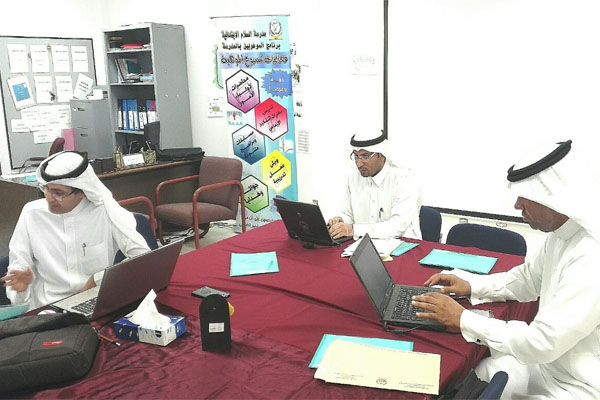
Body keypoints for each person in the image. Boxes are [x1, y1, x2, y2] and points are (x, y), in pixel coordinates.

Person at [412, 140, 600, 398]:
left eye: (526, 197)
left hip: (578, 386)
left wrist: (463, 318)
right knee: (474, 374)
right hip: (548, 368)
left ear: (554, 198)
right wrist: (471, 285)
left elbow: (542, 342)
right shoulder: (563, 234)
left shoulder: (591, 256)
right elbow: (528, 279)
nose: (517, 206)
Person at [1, 151, 150, 310]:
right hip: (48, 308)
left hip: (96, 302)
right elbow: (18, 268)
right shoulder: (31, 214)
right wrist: (21, 290)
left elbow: (144, 258)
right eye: (46, 189)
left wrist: (99, 278)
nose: (49, 198)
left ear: (82, 192)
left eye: (58, 193)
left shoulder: (104, 212)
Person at [328, 131, 422, 240]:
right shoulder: (353, 179)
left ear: (381, 155)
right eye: (356, 156)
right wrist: (340, 222)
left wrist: (353, 230)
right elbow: (348, 215)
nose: (359, 163)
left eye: (365, 156)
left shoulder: (405, 179)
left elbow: (398, 227)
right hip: (364, 245)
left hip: (403, 245)